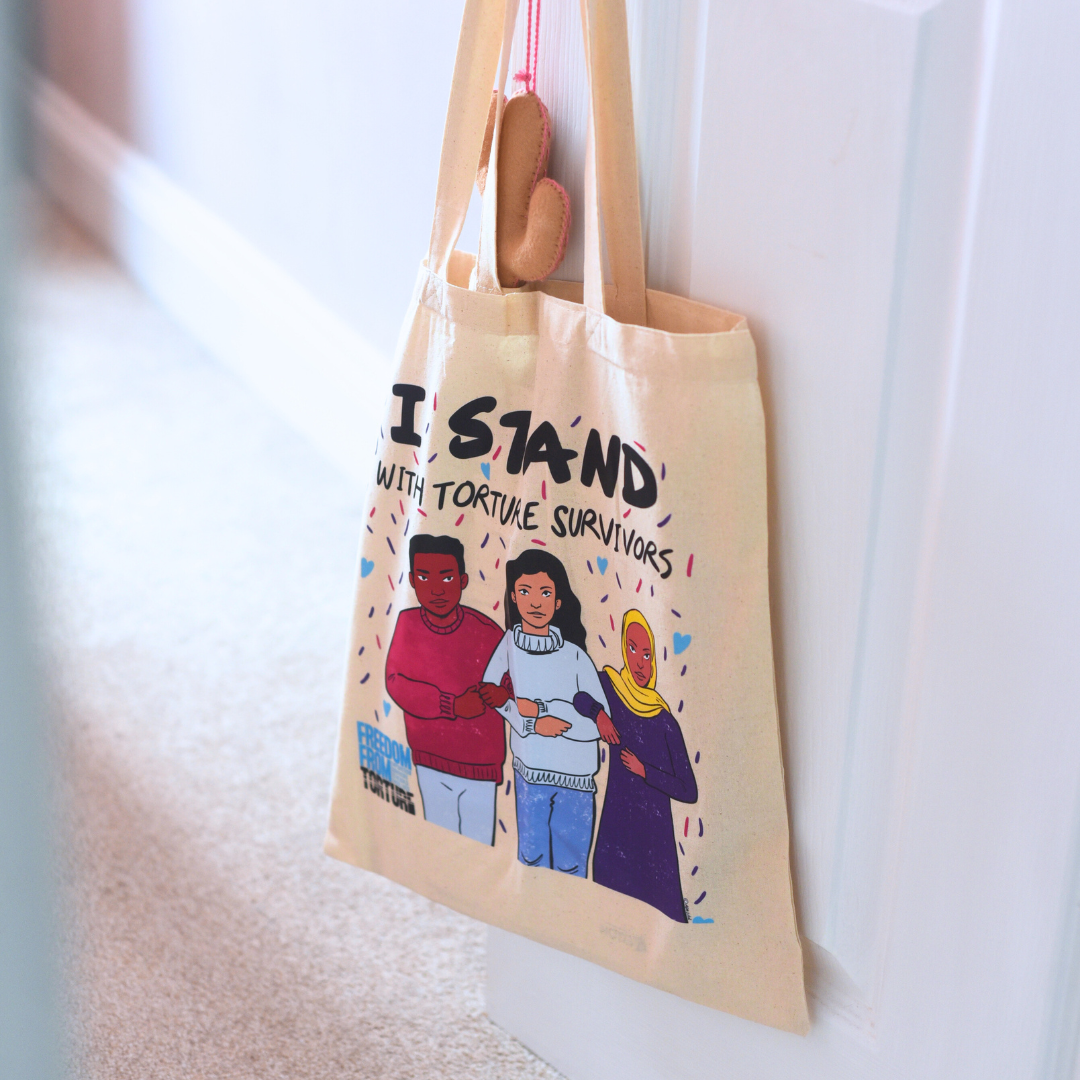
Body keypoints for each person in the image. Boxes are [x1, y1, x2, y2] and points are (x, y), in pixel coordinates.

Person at [479, 550, 604, 876]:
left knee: (572, 863)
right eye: (525, 592)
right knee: (531, 858)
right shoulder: (508, 645)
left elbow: (597, 725)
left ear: (559, 601)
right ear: (513, 596)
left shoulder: (575, 656)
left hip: (577, 777)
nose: (535, 602)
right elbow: (491, 695)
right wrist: (534, 724)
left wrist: (546, 711)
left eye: (545, 593)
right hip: (530, 772)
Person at [572, 609, 697, 921]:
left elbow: (688, 789)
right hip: (617, 824)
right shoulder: (611, 688)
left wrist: (646, 772)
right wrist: (599, 713)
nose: (640, 663)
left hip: (654, 836)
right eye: (632, 649)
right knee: (607, 912)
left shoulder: (664, 719)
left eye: (647, 654)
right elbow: (577, 694)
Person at [384, 534, 506, 844]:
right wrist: (451, 705)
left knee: (479, 846)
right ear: (411, 580)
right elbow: (396, 681)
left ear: (463, 580)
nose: (437, 589)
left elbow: (514, 677)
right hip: (430, 756)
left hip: (480, 762)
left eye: (447, 577)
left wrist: (502, 694)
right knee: (440, 841)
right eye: (424, 577)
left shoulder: (487, 631)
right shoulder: (408, 623)